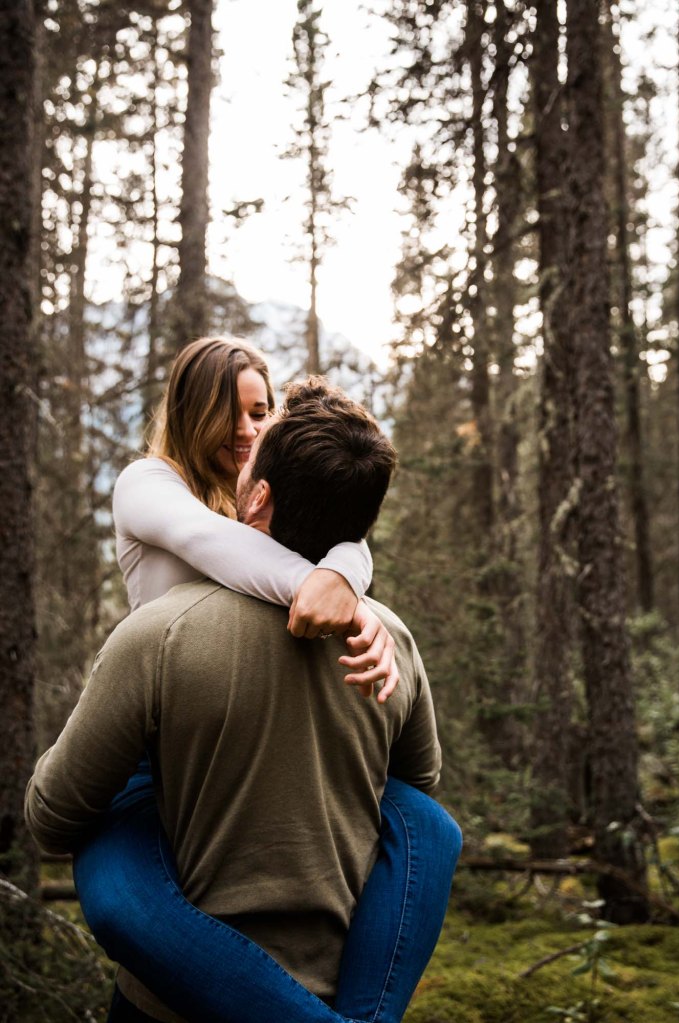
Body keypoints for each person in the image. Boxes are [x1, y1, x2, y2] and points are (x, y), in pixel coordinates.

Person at [27, 348, 462, 1022]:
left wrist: (347, 569)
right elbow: (226, 545)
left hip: (219, 730)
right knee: (121, 902)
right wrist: (340, 582)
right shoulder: (153, 485)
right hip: (156, 747)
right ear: (188, 416)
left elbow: (326, 529)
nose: (250, 430)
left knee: (429, 825)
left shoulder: (256, 522)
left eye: (262, 414)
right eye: (230, 415)